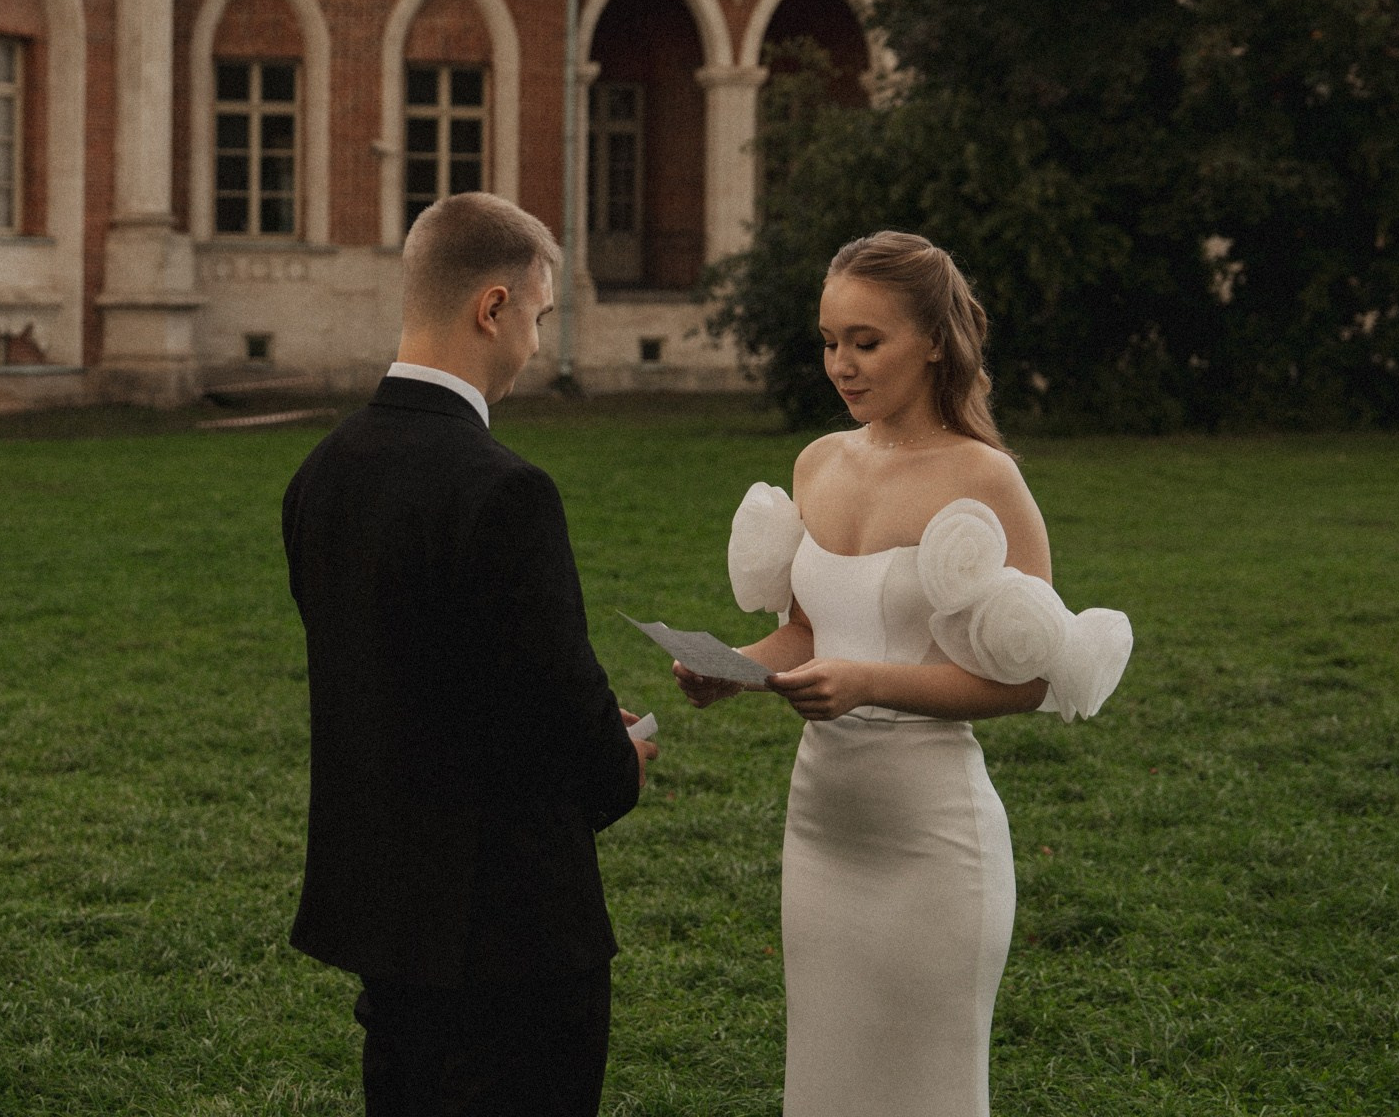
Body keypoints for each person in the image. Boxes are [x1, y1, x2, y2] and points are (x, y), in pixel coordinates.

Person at [673, 230, 1132, 1117]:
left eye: (865, 341)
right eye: (829, 341)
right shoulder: (818, 461)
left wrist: (870, 685)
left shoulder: (986, 481)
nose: (841, 365)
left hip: (931, 840)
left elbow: (1033, 682)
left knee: (926, 1090)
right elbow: (808, 631)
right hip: (821, 828)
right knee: (826, 1078)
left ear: (932, 341)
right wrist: (733, 671)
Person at [283, 192, 658, 1117]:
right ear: (492, 308)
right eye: (537, 317)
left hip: (391, 924)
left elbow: (399, 683)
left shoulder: (321, 474)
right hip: (514, 935)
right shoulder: (506, 492)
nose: (534, 344)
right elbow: (565, 705)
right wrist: (624, 760)